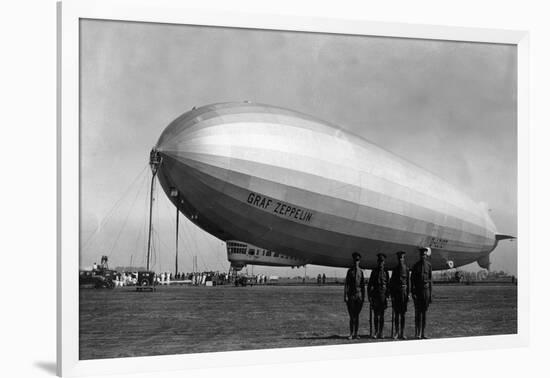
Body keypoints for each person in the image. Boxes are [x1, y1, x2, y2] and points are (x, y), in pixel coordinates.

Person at [411, 247, 432, 339]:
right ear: (419, 256)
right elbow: (412, 281)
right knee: (418, 313)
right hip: (418, 291)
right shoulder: (416, 266)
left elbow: (430, 281)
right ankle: (417, 333)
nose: (423, 256)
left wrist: (430, 295)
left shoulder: (429, 266)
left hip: (426, 291)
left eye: (424, 255)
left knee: (424, 314)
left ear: (426, 255)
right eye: (421, 255)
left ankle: (424, 332)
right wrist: (413, 293)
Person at [368, 253, 390, 339]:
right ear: (378, 262)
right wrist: (369, 296)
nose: (381, 263)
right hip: (375, 296)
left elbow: (388, 284)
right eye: (380, 261)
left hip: (383, 296)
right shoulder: (374, 272)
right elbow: (370, 285)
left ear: (384, 262)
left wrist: (388, 295)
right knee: (376, 315)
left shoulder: (386, 272)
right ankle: (376, 332)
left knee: (382, 315)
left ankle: (381, 332)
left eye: (382, 261)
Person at [344, 252, 365, 340]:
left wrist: (363, 297)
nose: (356, 262)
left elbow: (363, 285)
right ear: (353, 261)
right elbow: (346, 285)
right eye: (355, 260)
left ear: (359, 261)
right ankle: (351, 333)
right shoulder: (350, 271)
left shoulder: (361, 272)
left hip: (359, 296)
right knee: (351, 316)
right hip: (351, 295)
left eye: (357, 260)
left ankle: (356, 333)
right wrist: (345, 296)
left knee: (357, 316)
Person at [389, 251, 410, 339]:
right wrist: (392, 295)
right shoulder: (395, 269)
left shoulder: (407, 269)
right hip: (397, 293)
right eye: (399, 258)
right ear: (398, 259)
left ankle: (402, 332)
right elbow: (392, 283)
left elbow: (409, 282)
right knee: (397, 314)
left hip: (404, 293)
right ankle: (397, 332)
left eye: (402, 258)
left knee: (403, 314)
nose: (400, 259)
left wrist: (408, 294)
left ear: (404, 258)